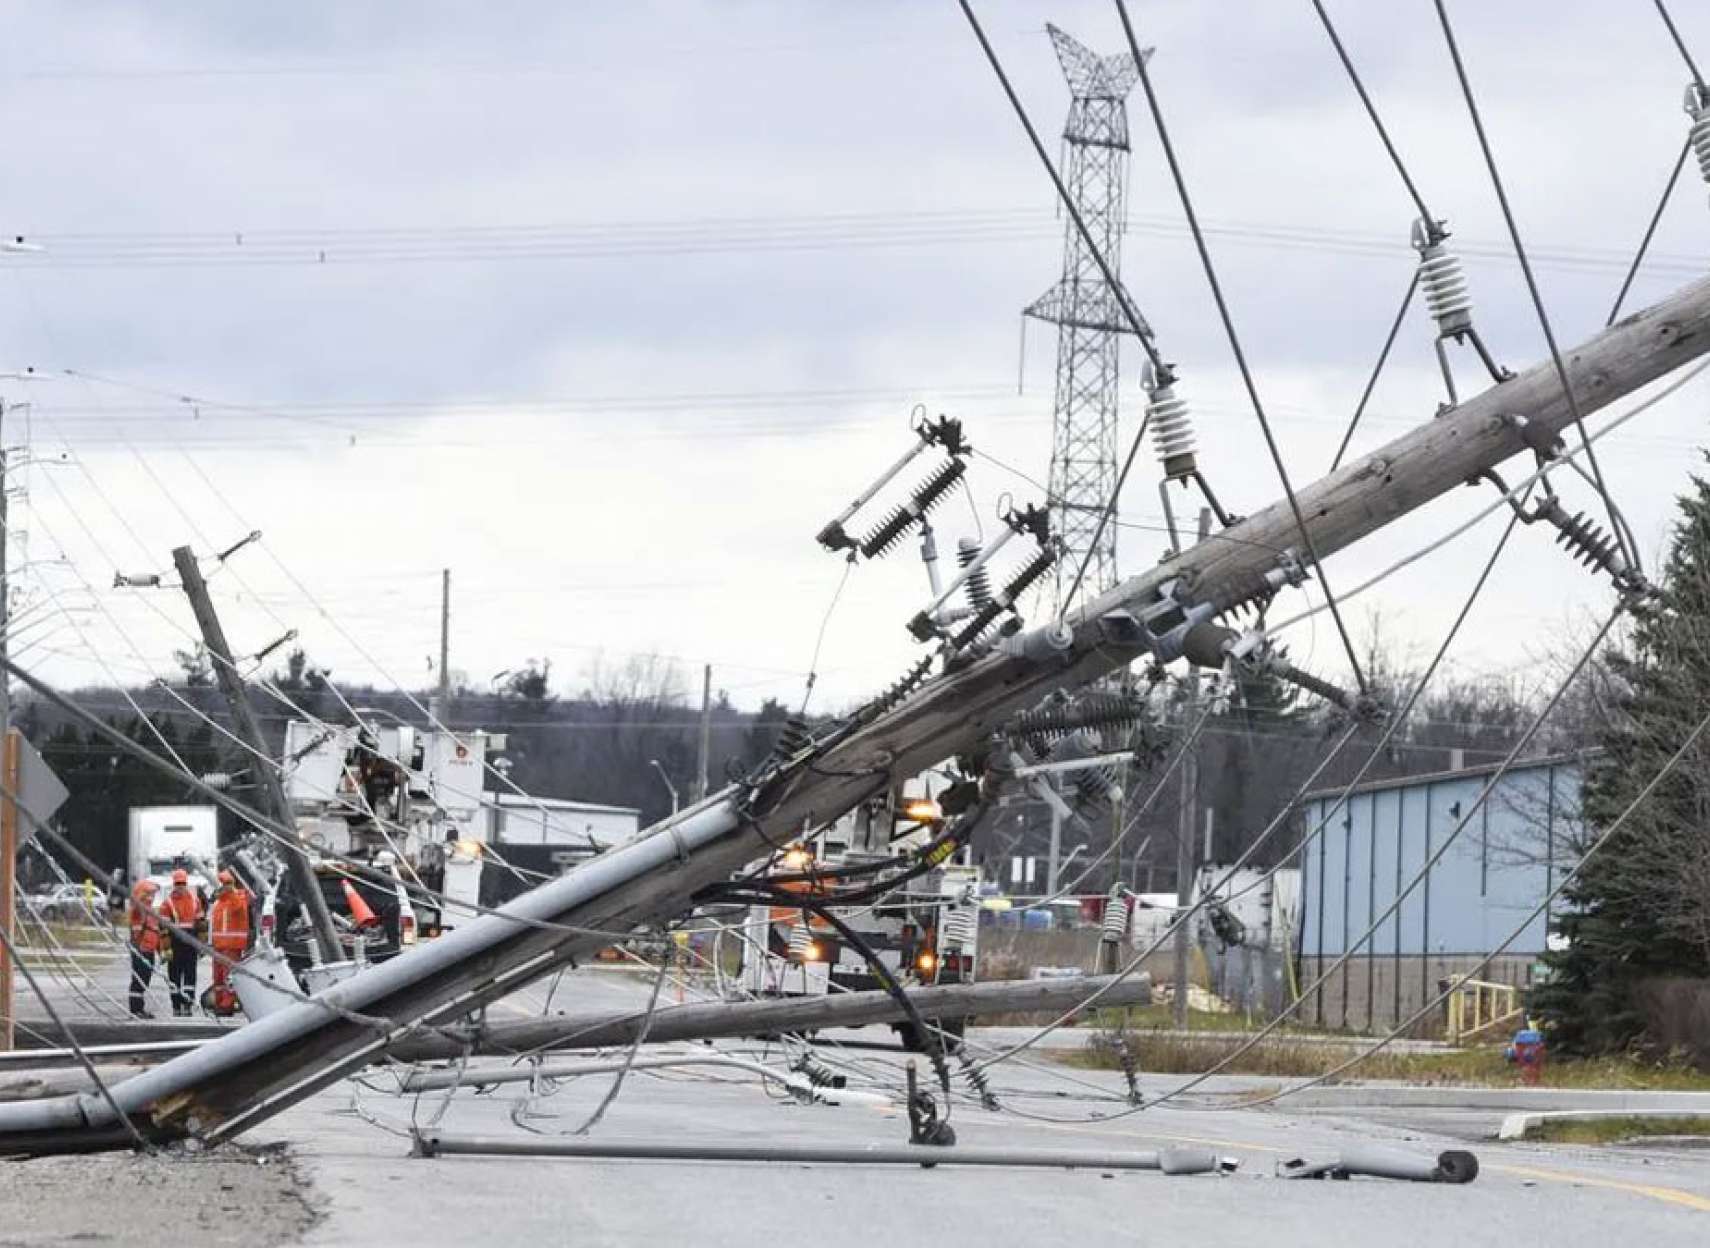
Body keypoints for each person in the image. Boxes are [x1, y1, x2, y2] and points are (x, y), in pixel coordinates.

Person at [157, 867, 204, 1017]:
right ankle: (176, 1005)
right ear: (173, 884)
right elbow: (163, 929)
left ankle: (188, 1005)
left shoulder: (195, 901)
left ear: (186, 883)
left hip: (190, 943)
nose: (180, 886)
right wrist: (166, 948)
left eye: (182, 883)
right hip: (175, 943)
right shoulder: (167, 904)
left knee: (190, 976)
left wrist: (201, 945)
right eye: (178, 883)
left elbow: (201, 924)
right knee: (174, 976)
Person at [207, 870, 253, 1014]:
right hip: (218, 946)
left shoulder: (238, 897)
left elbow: (237, 907)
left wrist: (230, 888)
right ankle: (220, 1003)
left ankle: (228, 1004)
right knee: (218, 978)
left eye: (224, 884)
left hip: (231, 945)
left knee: (229, 977)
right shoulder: (219, 902)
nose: (221, 887)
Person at [126, 879, 164, 1018]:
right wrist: (141, 895)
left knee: (145, 980)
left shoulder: (151, 913)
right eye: (148, 894)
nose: (151, 897)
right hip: (140, 950)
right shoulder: (138, 910)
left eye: (152, 894)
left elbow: (156, 933)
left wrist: (161, 952)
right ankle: (135, 1009)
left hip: (149, 951)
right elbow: (136, 904)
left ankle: (139, 1008)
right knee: (139, 980)